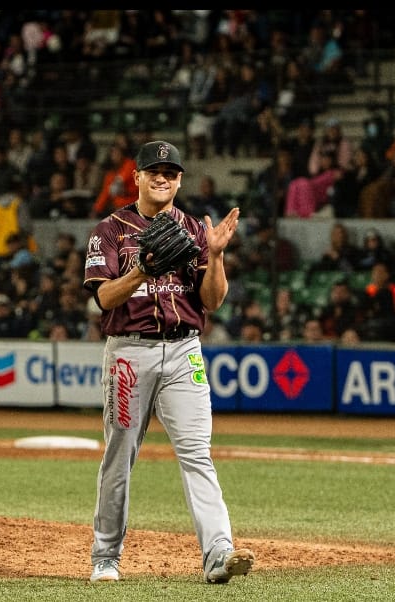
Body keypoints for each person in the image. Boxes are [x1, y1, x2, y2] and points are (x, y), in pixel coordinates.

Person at [82, 140, 253, 584]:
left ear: (179, 179)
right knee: (120, 456)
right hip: (129, 352)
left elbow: (212, 301)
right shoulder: (111, 229)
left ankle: (219, 552)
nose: (162, 177)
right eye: (153, 170)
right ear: (135, 176)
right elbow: (103, 297)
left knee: (198, 453)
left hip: (184, 350)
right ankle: (105, 557)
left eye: (171, 172)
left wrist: (215, 256)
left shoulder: (195, 229)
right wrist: (143, 270)